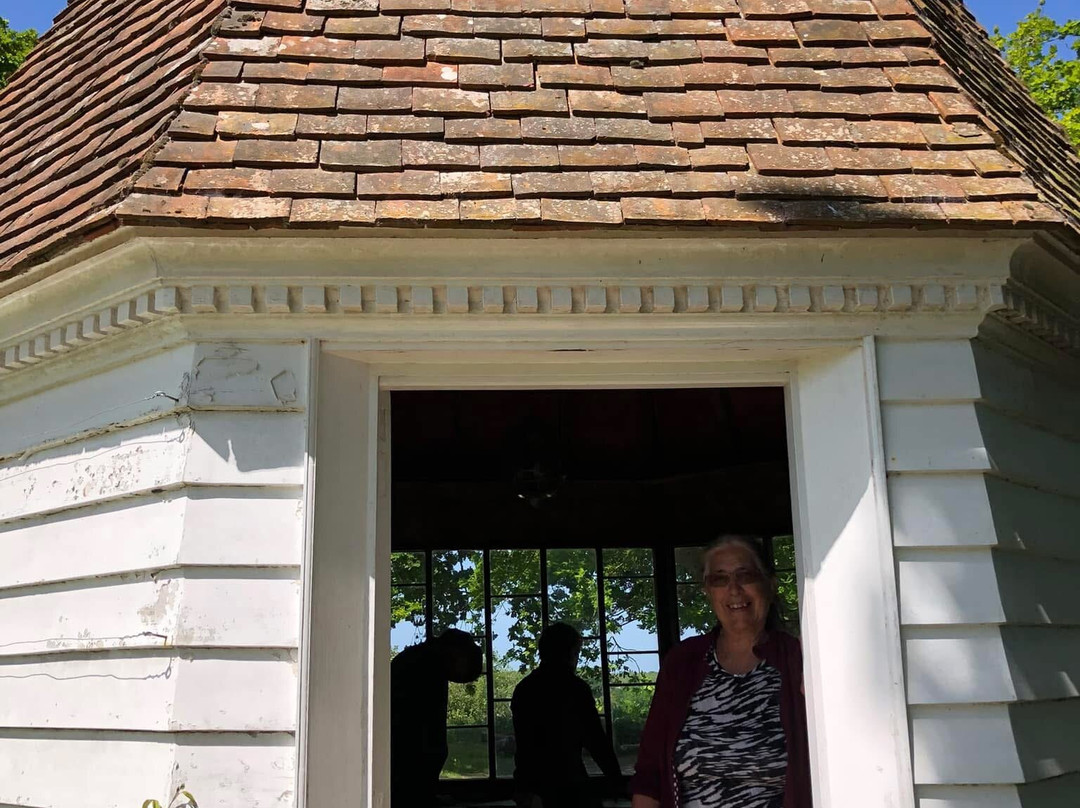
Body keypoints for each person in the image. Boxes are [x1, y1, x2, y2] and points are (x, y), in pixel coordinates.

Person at [630, 535, 811, 808]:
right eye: (719, 579)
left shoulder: (797, 659)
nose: (734, 589)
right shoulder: (683, 662)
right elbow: (649, 774)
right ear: (708, 591)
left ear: (770, 584)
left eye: (745, 575)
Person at [512, 622, 623, 808]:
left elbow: (524, 743)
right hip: (570, 783)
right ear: (570, 653)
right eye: (577, 652)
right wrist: (616, 778)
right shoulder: (576, 689)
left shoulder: (524, 689)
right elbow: (596, 740)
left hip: (530, 785)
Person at [391, 628, 484, 808]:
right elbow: (424, 734)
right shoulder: (425, 668)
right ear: (455, 653)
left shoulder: (422, 661)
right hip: (408, 763)